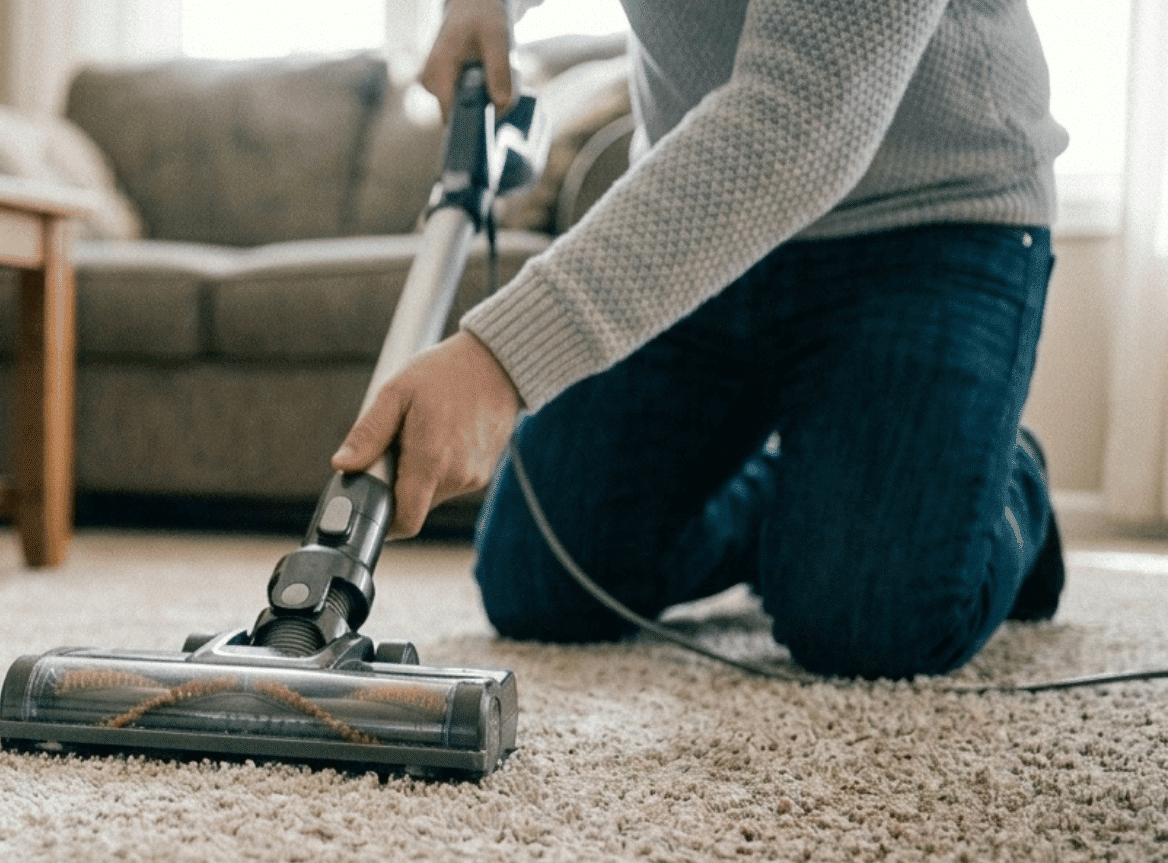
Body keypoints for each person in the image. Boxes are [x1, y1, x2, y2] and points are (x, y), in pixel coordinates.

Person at [331, 0, 1068, 679]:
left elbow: (801, 116)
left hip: (930, 219)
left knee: (867, 622)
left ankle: (1002, 480)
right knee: (542, 585)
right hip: (709, 224)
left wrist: (500, 360)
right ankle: (826, 495)